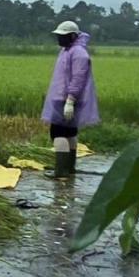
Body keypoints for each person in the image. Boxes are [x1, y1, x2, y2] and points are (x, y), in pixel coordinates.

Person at [41, 21, 99, 179]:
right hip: (62, 98)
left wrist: (70, 100)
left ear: (73, 36)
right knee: (69, 133)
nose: (60, 39)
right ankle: (68, 167)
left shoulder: (79, 53)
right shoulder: (67, 50)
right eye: (59, 36)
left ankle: (61, 171)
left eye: (63, 36)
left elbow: (78, 78)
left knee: (59, 134)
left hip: (65, 99)